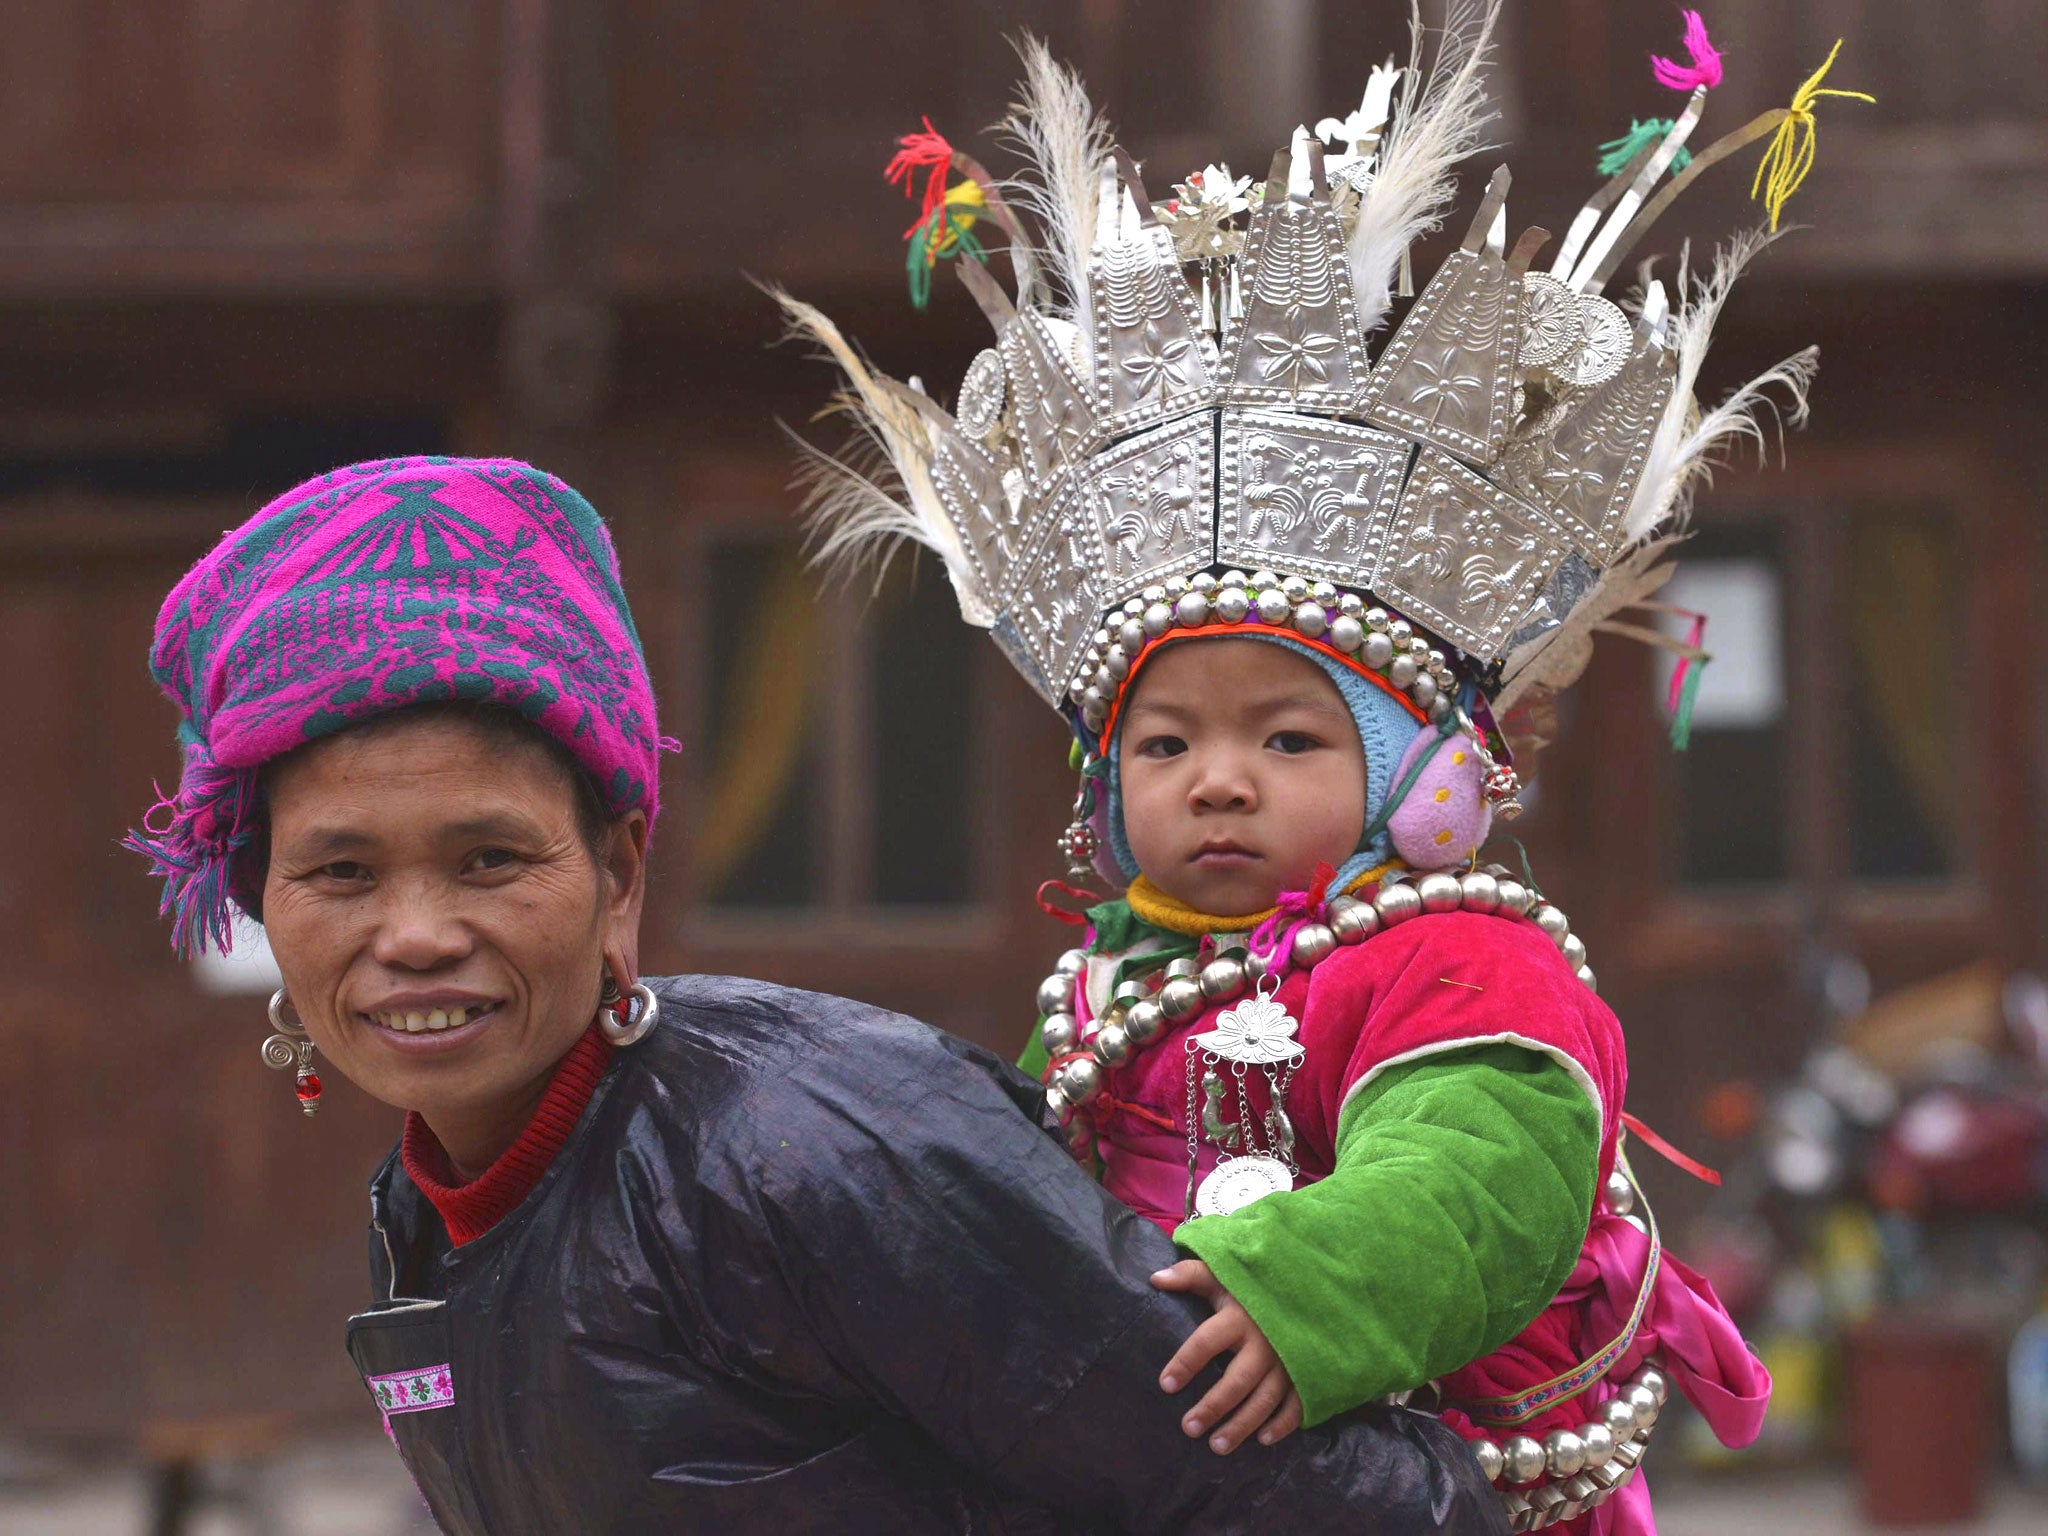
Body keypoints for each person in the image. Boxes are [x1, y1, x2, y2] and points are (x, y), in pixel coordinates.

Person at [779, 8, 1866, 1529]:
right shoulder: (1111, 982)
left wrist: (1309, 1292)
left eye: (1287, 738)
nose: (1216, 780)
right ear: (1104, 791)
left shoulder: (1457, 961)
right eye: (1166, 744)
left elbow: (1479, 1178)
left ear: (1433, 780)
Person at [126, 454, 1512, 1534]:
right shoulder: (421, 1208)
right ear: (266, 906)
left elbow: (1344, 1503)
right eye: (342, 873)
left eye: (491, 858)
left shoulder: (815, 1156)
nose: (415, 934)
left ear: (619, 873)